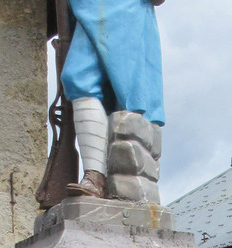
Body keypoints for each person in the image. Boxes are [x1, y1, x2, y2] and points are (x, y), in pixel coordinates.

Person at [60, 0, 165, 198]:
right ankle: (95, 175)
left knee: (118, 92)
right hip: (86, 8)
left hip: (121, 8)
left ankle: (101, 178)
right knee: (79, 78)